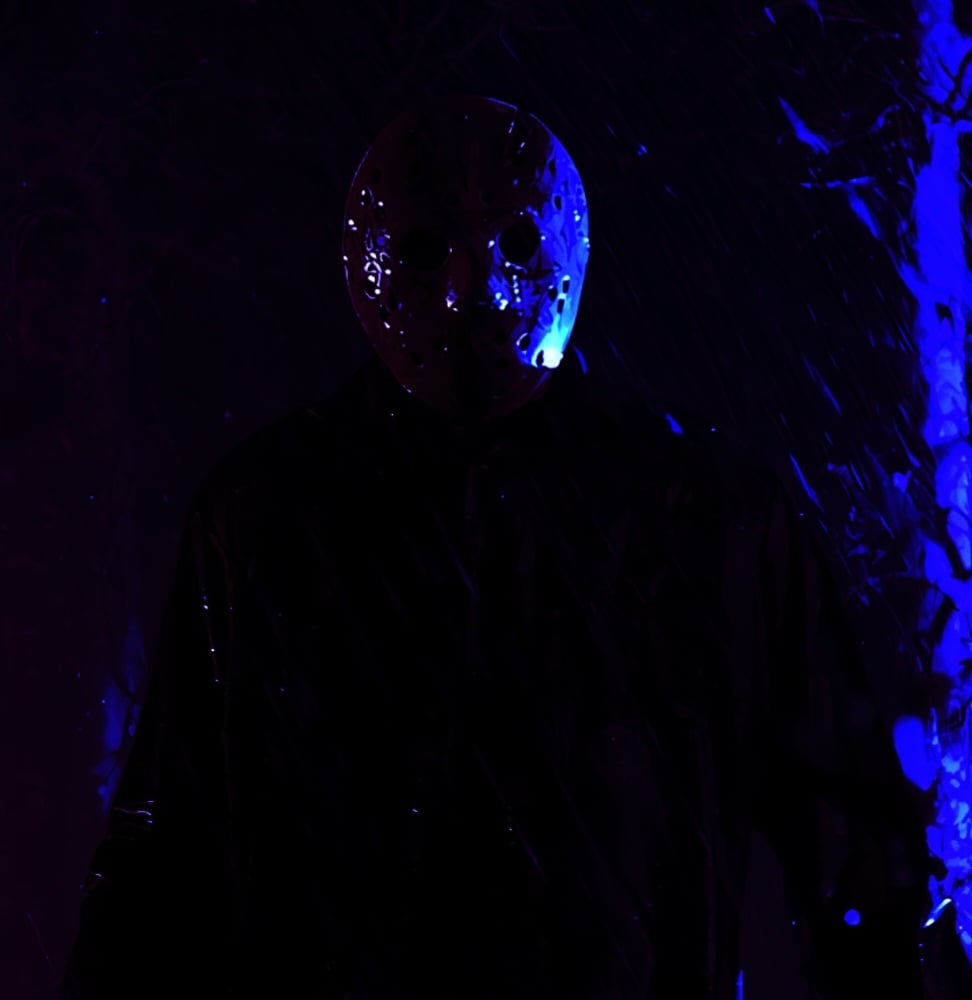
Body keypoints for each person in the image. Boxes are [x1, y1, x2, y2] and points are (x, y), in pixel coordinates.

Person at [61, 95, 930, 998]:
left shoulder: (708, 513)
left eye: (511, 243)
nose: (473, 292)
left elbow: (856, 861)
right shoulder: (266, 513)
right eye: (429, 248)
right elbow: (161, 856)